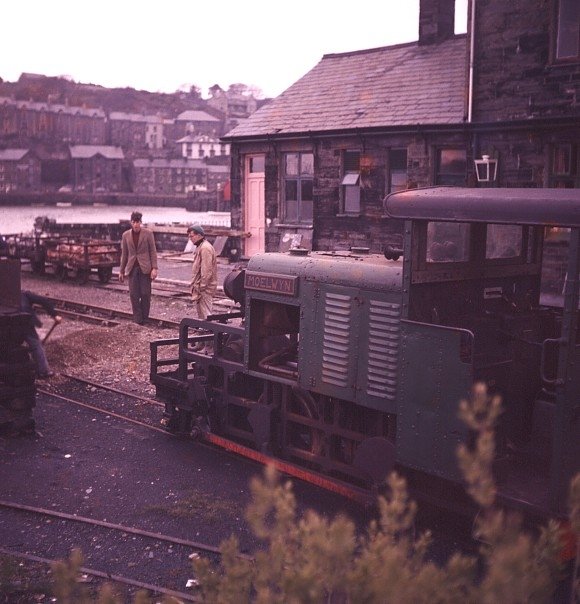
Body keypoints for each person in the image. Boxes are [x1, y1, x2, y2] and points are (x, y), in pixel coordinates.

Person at [119, 211, 158, 325]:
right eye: (134, 222)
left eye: (138, 222)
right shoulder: (125, 235)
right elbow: (124, 254)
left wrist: (154, 268)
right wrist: (121, 271)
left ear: (141, 222)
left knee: (145, 294)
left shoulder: (148, 234)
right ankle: (137, 319)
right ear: (131, 222)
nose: (136, 224)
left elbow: (153, 251)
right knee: (134, 295)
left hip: (145, 268)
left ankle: (145, 318)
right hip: (132, 269)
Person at [188, 224, 217, 354]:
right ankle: (202, 343)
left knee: (206, 317)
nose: (190, 239)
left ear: (199, 235)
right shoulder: (201, 247)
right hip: (200, 288)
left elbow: (207, 271)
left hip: (204, 289)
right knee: (202, 317)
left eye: (192, 236)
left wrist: (201, 287)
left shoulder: (205, 249)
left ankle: (210, 346)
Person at [21, 290, 62, 379]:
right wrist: (55, 315)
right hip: (25, 321)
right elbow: (43, 300)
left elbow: (43, 300)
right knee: (35, 345)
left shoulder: (21, 294)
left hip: (15, 323)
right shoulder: (23, 293)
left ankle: (42, 370)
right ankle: (43, 371)